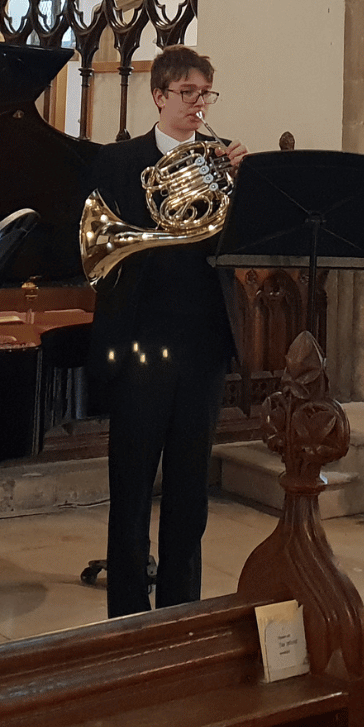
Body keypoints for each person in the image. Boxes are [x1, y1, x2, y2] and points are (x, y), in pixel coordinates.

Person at [88, 46, 248, 618]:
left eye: (206, 93)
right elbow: (104, 247)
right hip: (140, 343)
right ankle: (128, 612)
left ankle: (182, 607)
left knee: (189, 491)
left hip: (202, 342)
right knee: (131, 484)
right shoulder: (118, 160)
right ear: (159, 96)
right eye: (188, 93)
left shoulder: (221, 159)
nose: (199, 104)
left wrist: (242, 188)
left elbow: (233, 249)